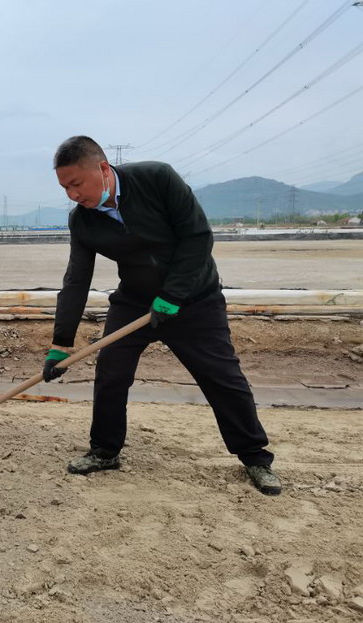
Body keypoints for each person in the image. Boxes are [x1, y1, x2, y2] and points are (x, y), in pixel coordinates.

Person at [44, 136, 281, 496]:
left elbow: (197, 237)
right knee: (111, 372)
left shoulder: (157, 178)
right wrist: (60, 343)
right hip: (135, 302)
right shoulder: (83, 221)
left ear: (103, 169)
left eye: (76, 183)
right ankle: (105, 451)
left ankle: (255, 457)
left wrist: (173, 295)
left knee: (222, 378)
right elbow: (76, 280)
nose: (73, 194)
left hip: (195, 299)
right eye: (65, 188)